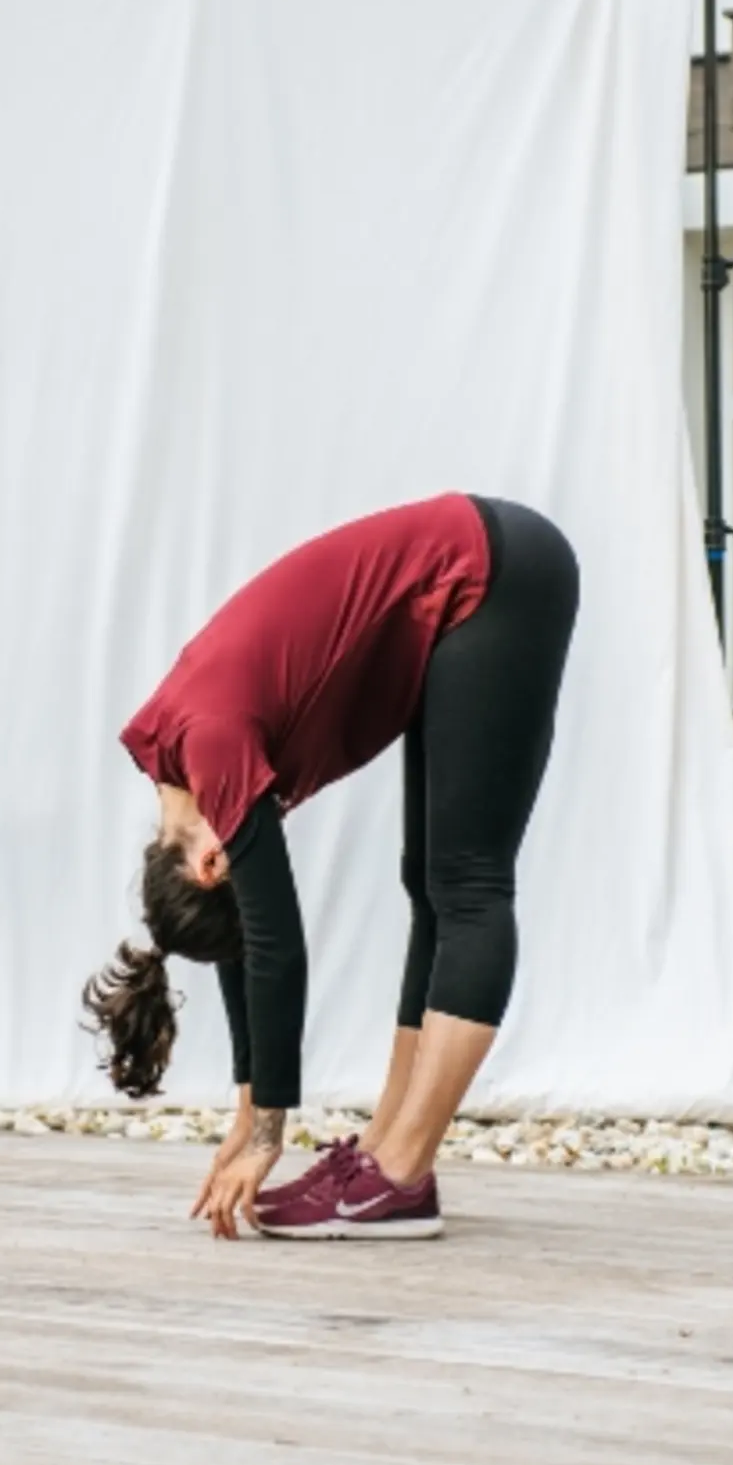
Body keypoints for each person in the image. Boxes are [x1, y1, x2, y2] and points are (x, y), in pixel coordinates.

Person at [82, 494, 578, 1241]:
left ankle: (402, 1174)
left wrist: (267, 1138)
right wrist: (250, 1109)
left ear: (212, 864)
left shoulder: (210, 741)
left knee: (470, 883)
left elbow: (276, 949)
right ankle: (382, 1155)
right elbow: (251, 942)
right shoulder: (174, 758)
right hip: (460, 589)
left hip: (495, 573)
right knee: (431, 885)